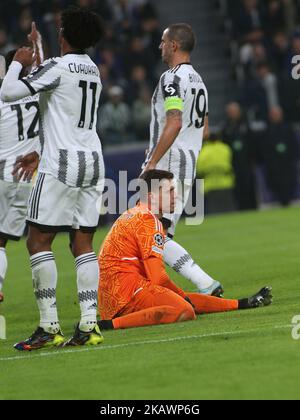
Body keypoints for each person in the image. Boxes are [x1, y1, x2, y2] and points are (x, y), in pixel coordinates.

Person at [0, 6, 106, 350]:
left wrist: (18, 60)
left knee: (37, 241)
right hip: (92, 161)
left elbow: (9, 92)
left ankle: (48, 326)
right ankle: (89, 325)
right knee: (82, 243)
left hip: (61, 165)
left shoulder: (58, 67)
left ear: (64, 34)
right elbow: (60, 111)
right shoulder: (93, 69)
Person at [98, 170, 273, 330]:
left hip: (119, 294)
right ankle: (111, 325)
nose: (176, 196)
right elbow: (158, 278)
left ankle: (243, 303)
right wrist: (182, 296)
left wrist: (181, 295)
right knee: (184, 310)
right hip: (125, 297)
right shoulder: (147, 220)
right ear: (151, 196)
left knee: (180, 299)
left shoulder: (136, 213)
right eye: (170, 191)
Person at [142, 23, 223, 296]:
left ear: (174, 45)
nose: (160, 46)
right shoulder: (199, 80)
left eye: (163, 41)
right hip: (188, 161)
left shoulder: (171, 78)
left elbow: (174, 122)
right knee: (157, 233)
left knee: (152, 233)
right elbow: (206, 130)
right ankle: (159, 289)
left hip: (169, 162)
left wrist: (153, 162)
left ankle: (204, 283)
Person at [0, 23, 43, 303]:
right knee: (37, 240)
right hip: (30, 176)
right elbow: (42, 68)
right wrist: (37, 45)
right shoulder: (40, 94)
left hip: (5, 173)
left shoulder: (2, 100)